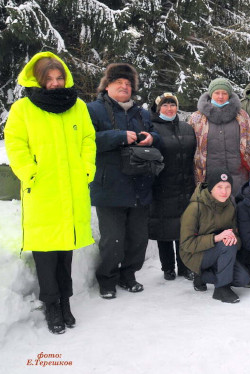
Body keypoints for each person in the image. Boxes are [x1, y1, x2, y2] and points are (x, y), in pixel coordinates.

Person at [5, 52, 96, 334]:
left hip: (72, 188)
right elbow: (15, 143)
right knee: (46, 252)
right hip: (42, 190)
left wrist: (85, 169)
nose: (56, 83)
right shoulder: (23, 109)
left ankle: (65, 301)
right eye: (50, 79)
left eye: (59, 78)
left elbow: (88, 139)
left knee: (65, 251)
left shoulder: (77, 106)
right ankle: (51, 304)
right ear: (38, 80)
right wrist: (30, 172)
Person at [87, 63, 161, 299]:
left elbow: (154, 133)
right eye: (118, 82)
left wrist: (152, 138)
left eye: (128, 84)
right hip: (109, 186)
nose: (124, 87)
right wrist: (118, 137)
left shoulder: (141, 112)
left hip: (140, 185)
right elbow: (86, 141)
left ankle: (129, 275)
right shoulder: (93, 110)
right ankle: (107, 279)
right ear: (107, 85)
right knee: (113, 240)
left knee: (138, 239)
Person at [180, 169, 250, 303]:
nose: (224, 191)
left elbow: (236, 236)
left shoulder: (230, 205)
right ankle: (221, 289)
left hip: (219, 252)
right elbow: (186, 244)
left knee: (243, 279)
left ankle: (202, 276)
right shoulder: (195, 208)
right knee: (225, 243)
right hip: (194, 255)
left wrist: (234, 239)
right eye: (219, 187)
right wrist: (216, 238)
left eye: (227, 187)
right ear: (211, 188)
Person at [148, 92, 197, 281]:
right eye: (165, 105)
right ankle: (167, 267)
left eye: (172, 105)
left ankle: (185, 267)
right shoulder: (152, 127)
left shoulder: (186, 127)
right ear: (158, 108)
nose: (169, 108)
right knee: (164, 227)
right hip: (162, 184)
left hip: (185, 184)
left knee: (184, 227)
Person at [188, 78, 250, 196]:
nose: (220, 96)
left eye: (224, 93)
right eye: (217, 93)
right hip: (209, 177)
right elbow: (190, 146)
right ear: (210, 94)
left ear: (229, 95)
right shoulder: (197, 118)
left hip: (238, 176)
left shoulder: (241, 116)